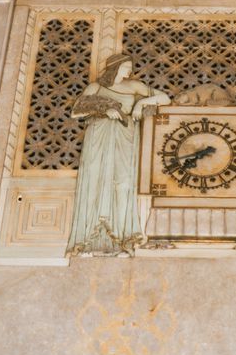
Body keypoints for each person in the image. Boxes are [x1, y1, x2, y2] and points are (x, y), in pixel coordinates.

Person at [65, 53, 168, 256]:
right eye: (125, 67)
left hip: (125, 136)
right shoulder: (96, 87)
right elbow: (76, 111)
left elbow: (165, 98)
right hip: (99, 137)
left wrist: (140, 104)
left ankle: (122, 238)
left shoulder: (134, 86)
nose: (129, 70)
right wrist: (103, 110)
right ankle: (87, 240)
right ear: (115, 68)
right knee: (95, 180)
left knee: (123, 182)